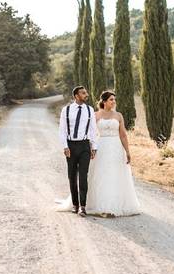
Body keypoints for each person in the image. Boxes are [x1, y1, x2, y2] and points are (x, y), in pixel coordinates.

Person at [84, 90, 141, 217]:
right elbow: (90, 134)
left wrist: (127, 151)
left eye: (114, 99)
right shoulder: (95, 115)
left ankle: (116, 204)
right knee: (100, 174)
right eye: (111, 99)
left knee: (115, 174)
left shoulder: (118, 116)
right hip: (101, 146)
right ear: (104, 101)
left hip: (116, 147)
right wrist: (91, 148)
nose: (114, 102)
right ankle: (100, 205)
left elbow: (123, 135)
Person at [58, 85, 98, 216]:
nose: (86, 94)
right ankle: (75, 204)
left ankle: (83, 206)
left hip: (85, 146)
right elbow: (62, 130)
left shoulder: (90, 110)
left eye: (86, 92)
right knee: (72, 176)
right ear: (76, 96)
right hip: (71, 146)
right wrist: (65, 146)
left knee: (83, 176)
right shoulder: (66, 110)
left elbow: (93, 129)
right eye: (83, 93)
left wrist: (94, 147)